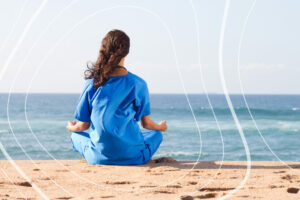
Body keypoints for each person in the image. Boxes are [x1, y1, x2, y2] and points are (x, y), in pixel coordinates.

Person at [66, 29, 167, 165]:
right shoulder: (138, 84)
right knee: (156, 135)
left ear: (104, 50)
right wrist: (160, 127)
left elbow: (83, 126)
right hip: (133, 158)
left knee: (76, 136)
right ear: (126, 51)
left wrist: (71, 127)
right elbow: (146, 124)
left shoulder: (92, 83)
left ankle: (95, 154)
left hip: (99, 158)